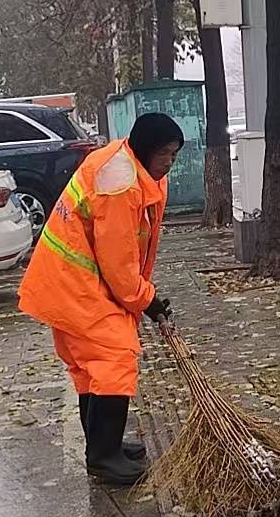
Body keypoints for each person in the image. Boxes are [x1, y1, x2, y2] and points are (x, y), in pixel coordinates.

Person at [18, 112, 184, 484]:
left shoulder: (129, 165)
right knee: (114, 359)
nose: (170, 162)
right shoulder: (119, 183)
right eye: (165, 154)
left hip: (74, 281)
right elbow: (118, 260)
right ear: (145, 150)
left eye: (175, 154)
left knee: (93, 368)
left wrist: (141, 294)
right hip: (77, 284)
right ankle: (103, 457)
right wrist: (146, 299)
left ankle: (103, 444)